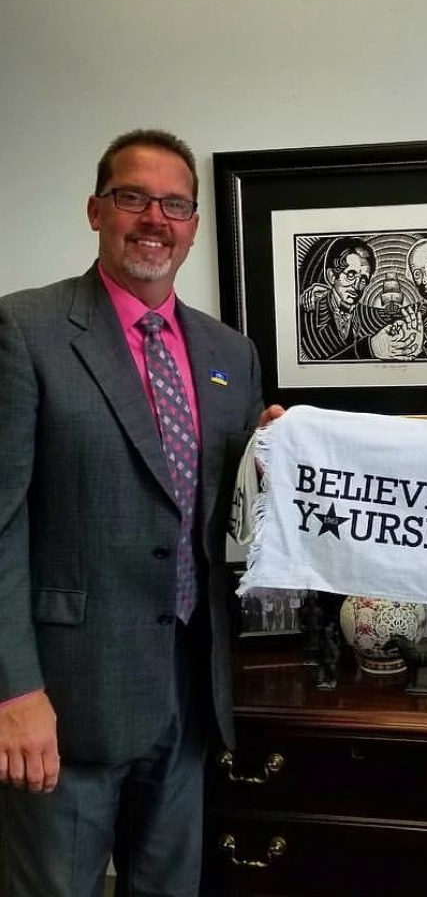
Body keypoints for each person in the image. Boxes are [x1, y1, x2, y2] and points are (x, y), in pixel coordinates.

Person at [0, 128, 282, 896]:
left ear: (193, 225)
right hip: (64, 699)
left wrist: (292, 449)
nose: (154, 219)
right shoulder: (25, 330)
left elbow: (247, 489)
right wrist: (14, 693)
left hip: (186, 695)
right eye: (133, 197)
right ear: (96, 210)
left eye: (175, 204)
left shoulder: (232, 353)